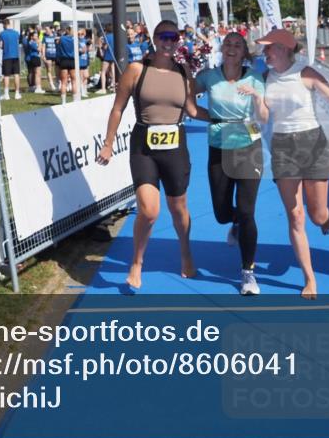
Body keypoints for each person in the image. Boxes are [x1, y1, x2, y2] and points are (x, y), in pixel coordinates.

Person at [97, 20, 200, 291]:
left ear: (178, 41)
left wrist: (226, 116)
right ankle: (137, 262)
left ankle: (186, 252)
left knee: (179, 209)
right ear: (154, 39)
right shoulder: (136, 70)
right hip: (144, 146)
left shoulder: (184, 70)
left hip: (176, 145)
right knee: (149, 211)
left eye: (173, 37)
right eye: (163, 37)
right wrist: (108, 143)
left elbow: (192, 109)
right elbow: (117, 108)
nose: (168, 42)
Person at [256, 28, 329, 299]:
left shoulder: (305, 72)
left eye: (268, 47)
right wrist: (255, 101)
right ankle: (309, 278)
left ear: (284, 48)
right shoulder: (264, 77)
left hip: (313, 144)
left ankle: (325, 219)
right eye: (264, 48)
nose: (264, 52)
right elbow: (264, 117)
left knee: (317, 215)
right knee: (296, 216)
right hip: (283, 146)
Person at [193, 32, 267, 295]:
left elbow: (265, 116)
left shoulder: (254, 77)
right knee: (222, 213)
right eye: (228, 44)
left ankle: (248, 273)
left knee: (248, 212)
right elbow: (185, 97)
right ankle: (234, 222)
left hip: (249, 146)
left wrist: (257, 98)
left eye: (237, 45)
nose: (232, 48)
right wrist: (206, 116)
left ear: (244, 51)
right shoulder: (209, 76)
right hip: (218, 146)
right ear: (222, 49)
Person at [0, 19, 22, 100]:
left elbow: (1, 45)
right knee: (16, 74)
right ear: (9, 24)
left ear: (4, 25)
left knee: (6, 75)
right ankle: (17, 93)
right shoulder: (16, 33)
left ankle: (6, 94)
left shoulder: (2, 33)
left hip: (7, 56)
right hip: (15, 56)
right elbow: (17, 43)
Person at [56, 26, 77, 101]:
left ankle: (63, 101)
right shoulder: (74, 39)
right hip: (72, 60)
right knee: (74, 81)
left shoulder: (62, 38)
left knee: (63, 82)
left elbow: (57, 43)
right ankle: (75, 100)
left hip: (64, 60)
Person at [43, 25, 59, 92]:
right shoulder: (44, 37)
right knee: (49, 70)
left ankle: (57, 83)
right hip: (48, 55)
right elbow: (43, 47)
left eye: (47, 29)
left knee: (57, 70)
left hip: (55, 55)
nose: (46, 31)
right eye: (45, 29)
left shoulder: (55, 36)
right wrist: (43, 56)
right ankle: (51, 84)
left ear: (50, 29)